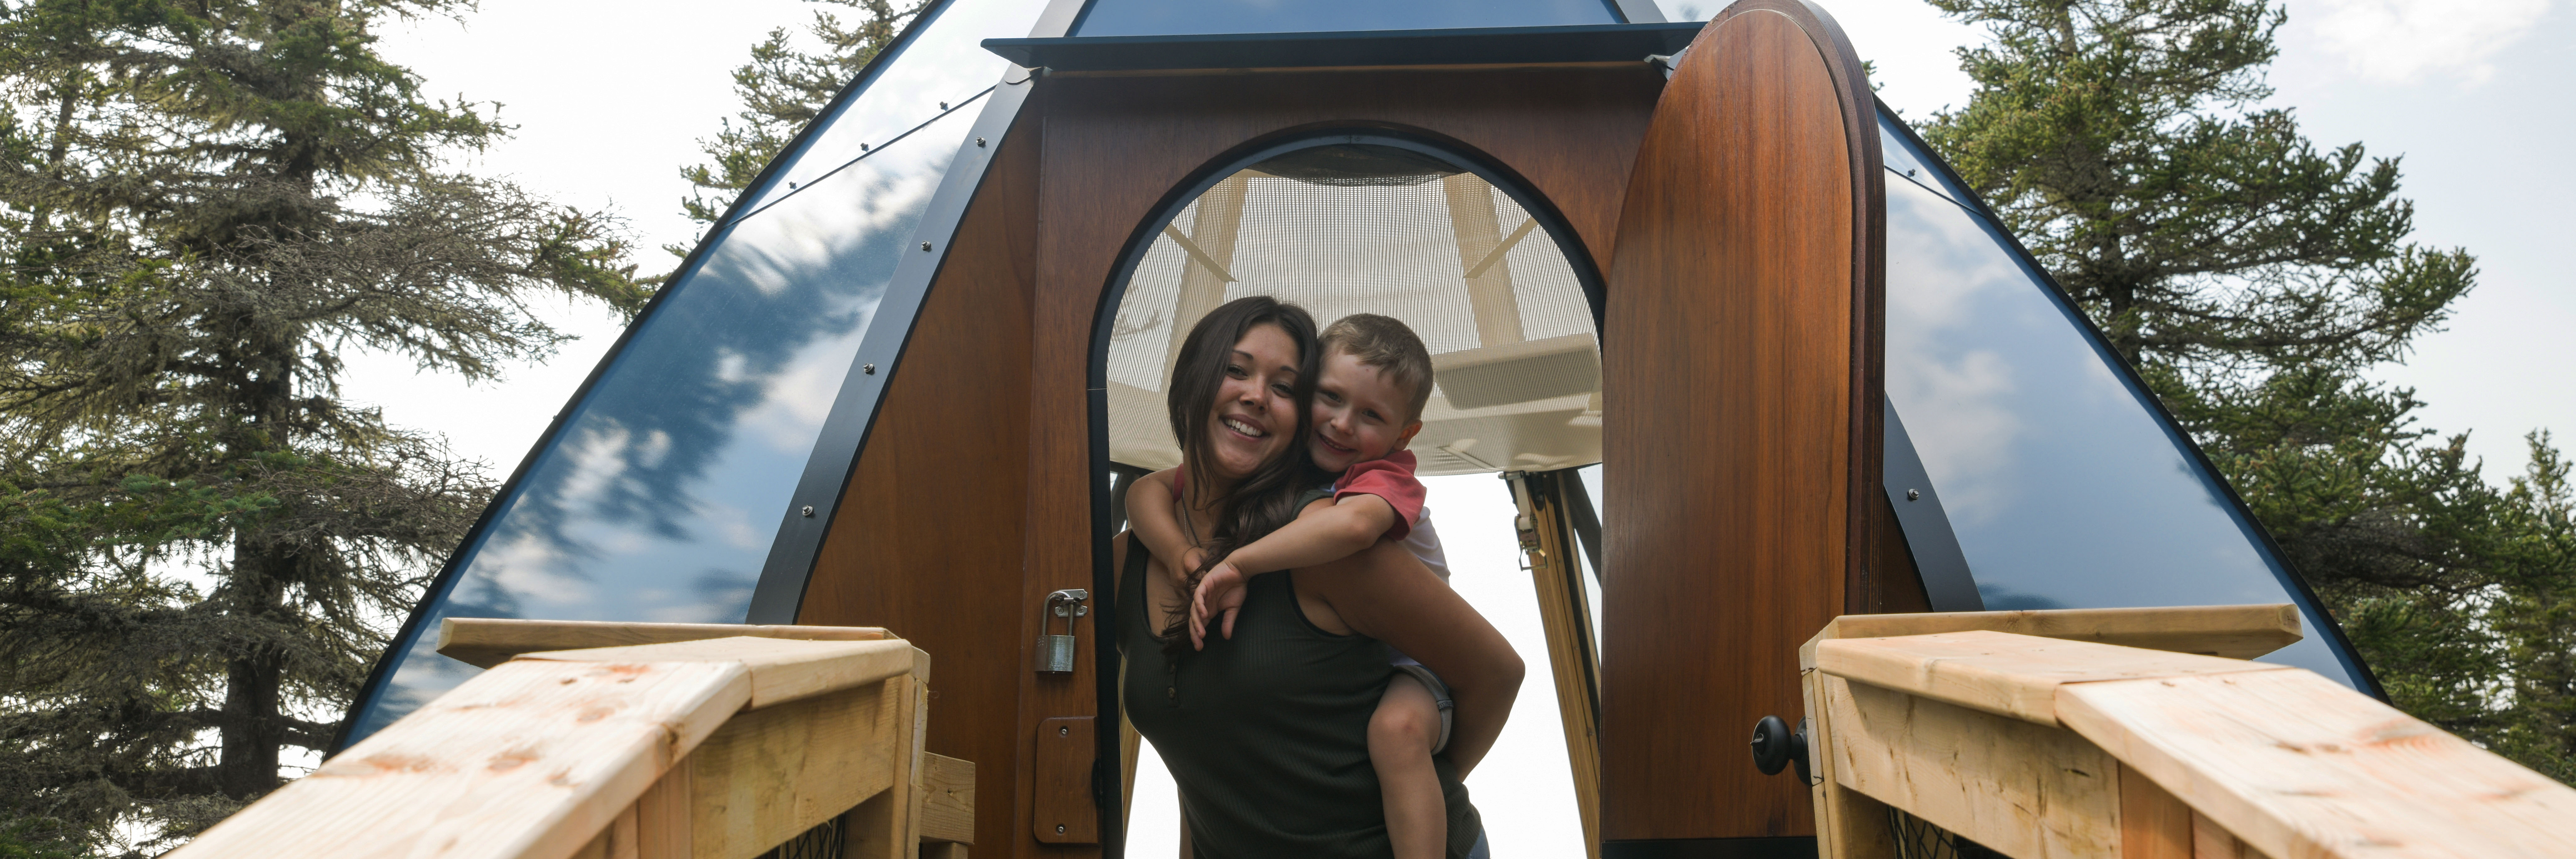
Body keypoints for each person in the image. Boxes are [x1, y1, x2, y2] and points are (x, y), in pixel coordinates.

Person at [1117, 296, 1521, 859]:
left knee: (1400, 732)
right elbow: (1209, 761)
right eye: (1236, 370)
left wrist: (1416, 775)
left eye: (1284, 388)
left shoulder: (1332, 537)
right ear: (1192, 378)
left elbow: (1498, 673)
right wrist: (1183, 555)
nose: (1257, 396)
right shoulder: (1132, 552)